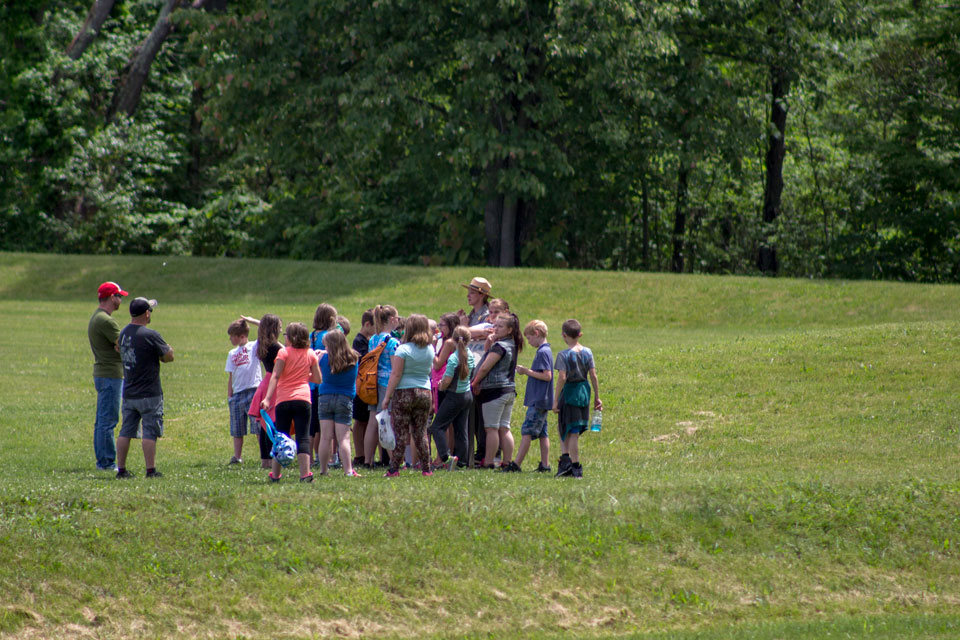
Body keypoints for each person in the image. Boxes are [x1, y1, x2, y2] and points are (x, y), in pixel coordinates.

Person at [116, 297, 174, 479]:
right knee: (149, 431)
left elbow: (118, 348)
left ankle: (122, 470)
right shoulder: (150, 335)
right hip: (149, 392)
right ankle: (150, 470)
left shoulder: (124, 333)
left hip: (129, 391)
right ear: (146, 313)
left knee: (126, 430)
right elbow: (168, 356)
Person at [260, 322, 321, 483]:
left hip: (284, 400)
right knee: (303, 437)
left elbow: (275, 376)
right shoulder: (311, 354)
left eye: (286, 334)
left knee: (281, 436)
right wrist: (303, 374)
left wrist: (267, 398)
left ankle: (275, 475)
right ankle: (305, 474)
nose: (284, 337)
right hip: (303, 399)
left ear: (292, 337)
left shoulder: (283, 353)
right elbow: (318, 379)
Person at [381, 314, 434, 477]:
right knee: (420, 432)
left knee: (401, 433)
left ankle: (394, 469)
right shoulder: (430, 349)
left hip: (405, 392)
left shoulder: (403, 349)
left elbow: (396, 374)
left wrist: (387, 397)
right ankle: (426, 468)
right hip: (425, 392)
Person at [470, 313, 523, 471]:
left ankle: (488, 462)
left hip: (495, 391)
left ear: (509, 330)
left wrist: (475, 382)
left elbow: (485, 366)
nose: (496, 328)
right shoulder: (512, 344)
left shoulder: (500, 347)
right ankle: (507, 461)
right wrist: (490, 341)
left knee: (491, 428)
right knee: (504, 428)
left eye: (500, 326)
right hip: (508, 390)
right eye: (495, 325)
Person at [552, 319, 602, 479]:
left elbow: (562, 377)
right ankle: (565, 462)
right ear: (580, 334)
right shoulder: (588, 352)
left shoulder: (563, 355)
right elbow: (593, 375)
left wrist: (554, 399)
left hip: (569, 394)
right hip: (584, 392)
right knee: (573, 429)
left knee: (568, 430)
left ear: (563, 335)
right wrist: (597, 397)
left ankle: (574, 466)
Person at [88, 281, 128, 471]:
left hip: (103, 374)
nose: (121, 300)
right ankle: (106, 463)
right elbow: (124, 345)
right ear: (112, 297)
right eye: (119, 296)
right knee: (108, 420)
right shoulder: (106, 320)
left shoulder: (98, 317)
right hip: (111, 374)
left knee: (102, 420)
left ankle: (103, 460)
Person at [456, 276, 493, 466]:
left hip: (481, 364)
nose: (468, 296)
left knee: (481, 412)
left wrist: (463, 328)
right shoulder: (470, 315)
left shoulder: (487, 314)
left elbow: (486, 332)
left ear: (481, 295)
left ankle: (485, 451)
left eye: (472, 292)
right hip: (470, 363)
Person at [314, 330, 361, 477]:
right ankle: (348, 470)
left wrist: (320, 354)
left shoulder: (322, 359)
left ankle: (323, 470)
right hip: (344, 399)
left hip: (325, 397)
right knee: (344, 438)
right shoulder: (353, 358)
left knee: (325, 437)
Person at [428, 326, 475, 470]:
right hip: (467, 395)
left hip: (454, 396)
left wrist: (441, 386)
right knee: (462, 430)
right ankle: (462, 462)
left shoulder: (454, 358)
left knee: (436, 427)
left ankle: (446, 457)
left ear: (452, 340)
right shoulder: (470, 354)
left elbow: (447, 380)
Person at [362, 305, 401, 467]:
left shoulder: (373, 339)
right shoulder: (392, 342)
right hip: (387, 385)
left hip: (373, 384)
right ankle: (393, 460)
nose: (398, 321)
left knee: (373, 421)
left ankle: (367, 460)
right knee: (388, 421)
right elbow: (395, 368)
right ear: (391, 320)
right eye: (397, 318)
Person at [514, 320, 553, 472]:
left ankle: (516, 464)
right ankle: (545, 464)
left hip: (538, 400)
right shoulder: (546, 350)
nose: (529, 342)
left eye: (529, 338)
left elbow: (547, 376)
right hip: (542, 399)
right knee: (543, 433)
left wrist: (526, 371)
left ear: (536, 334)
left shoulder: (543, 352)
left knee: (527, 431)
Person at [244, 314, 283, 469]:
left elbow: (265, 328)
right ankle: (273, 460)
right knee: (272, 425)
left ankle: (264, 460)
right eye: (279, 327)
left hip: (265, 383)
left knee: (264, 424)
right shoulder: (277, 348)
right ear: (274, 329)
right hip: (274, 385)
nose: (281, 330)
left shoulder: (262, 343)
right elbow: (287, 351)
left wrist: (256, 322)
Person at [225, 318, 262, 465]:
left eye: (232, 336)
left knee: (258, 427)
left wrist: (249, 320)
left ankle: (264, 455)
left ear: (241, 336)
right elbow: (231, 376)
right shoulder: (232, 353)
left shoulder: (254, 346)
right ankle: (237, 456)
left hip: (254, 392)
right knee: (237, 429)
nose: (230, 339)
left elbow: (265, 327)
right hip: (237, 394)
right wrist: (230, 395)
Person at [309, 303, 340, 467]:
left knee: (312, 425)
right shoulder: (329, 336)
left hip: (310, 384)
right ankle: (326, 457)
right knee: (323, 426)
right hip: (324, 383)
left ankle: (311, 455)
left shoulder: (311, 335)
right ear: (331, 320)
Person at [351, 309, 375, 468]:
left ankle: (367, 454)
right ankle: (360, 454)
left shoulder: (368, 339)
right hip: (362, 386)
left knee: (367, 421)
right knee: (360, 421)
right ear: (367, 324)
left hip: (369, 386)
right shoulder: (359, 341)